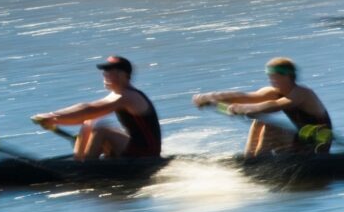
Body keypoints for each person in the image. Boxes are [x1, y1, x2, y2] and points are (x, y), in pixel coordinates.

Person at [192, 57, 332, 155]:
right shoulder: (274, 91)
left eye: (274, 75)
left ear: (287, 76)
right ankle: (250, 158)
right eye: (269, 75)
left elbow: (274, 105)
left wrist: (242, 108)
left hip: (316, 145)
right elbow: (245, 97)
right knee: (260, 121)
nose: (271, 79)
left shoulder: (302, 93)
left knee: (269, 127)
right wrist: (210, 97)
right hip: (300, 141)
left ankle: (259, 162)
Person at [32, 56, 161, 161]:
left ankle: (84, 167)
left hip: (146, 155)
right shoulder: (118, 94)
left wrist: (52, 117)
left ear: (123, 75)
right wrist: (55, 120)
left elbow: (87, 109)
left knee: (101, 129)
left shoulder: (127, 96)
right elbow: (85, 115)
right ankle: (80, 160)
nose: (105, 74)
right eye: (105, 71)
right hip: (138, 149)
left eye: (110, 71)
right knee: (90, 122)